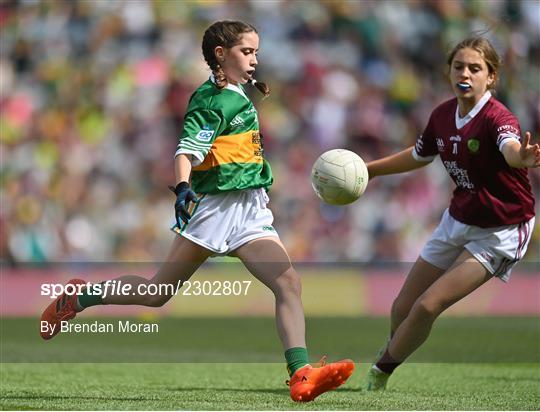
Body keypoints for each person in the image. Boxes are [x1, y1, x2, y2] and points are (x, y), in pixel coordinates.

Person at [40, 20, 354, 402]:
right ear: (221, 54)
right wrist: (184, 186)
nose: (255, 59)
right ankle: (79, 298)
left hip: (250, 210)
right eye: (247, 51)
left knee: (287, 283)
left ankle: (301, 374)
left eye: (256, 51)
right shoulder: (212, 100)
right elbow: (187, 150)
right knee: (157, 294)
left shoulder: (237, 92)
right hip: (215, 208)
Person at [363, 36, 539, 391]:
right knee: (402, 307)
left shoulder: (497, 117)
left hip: (501, 229)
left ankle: (380, 371)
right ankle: (393, 352)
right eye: (459, 66)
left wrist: (523, 156)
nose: (466, 73)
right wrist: (372, 170)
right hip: (458, 219)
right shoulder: (443, 114)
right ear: (449, 71)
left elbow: (510, 149)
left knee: (427, 306)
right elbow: (419, 154)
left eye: (476, 68)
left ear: (491, 77)